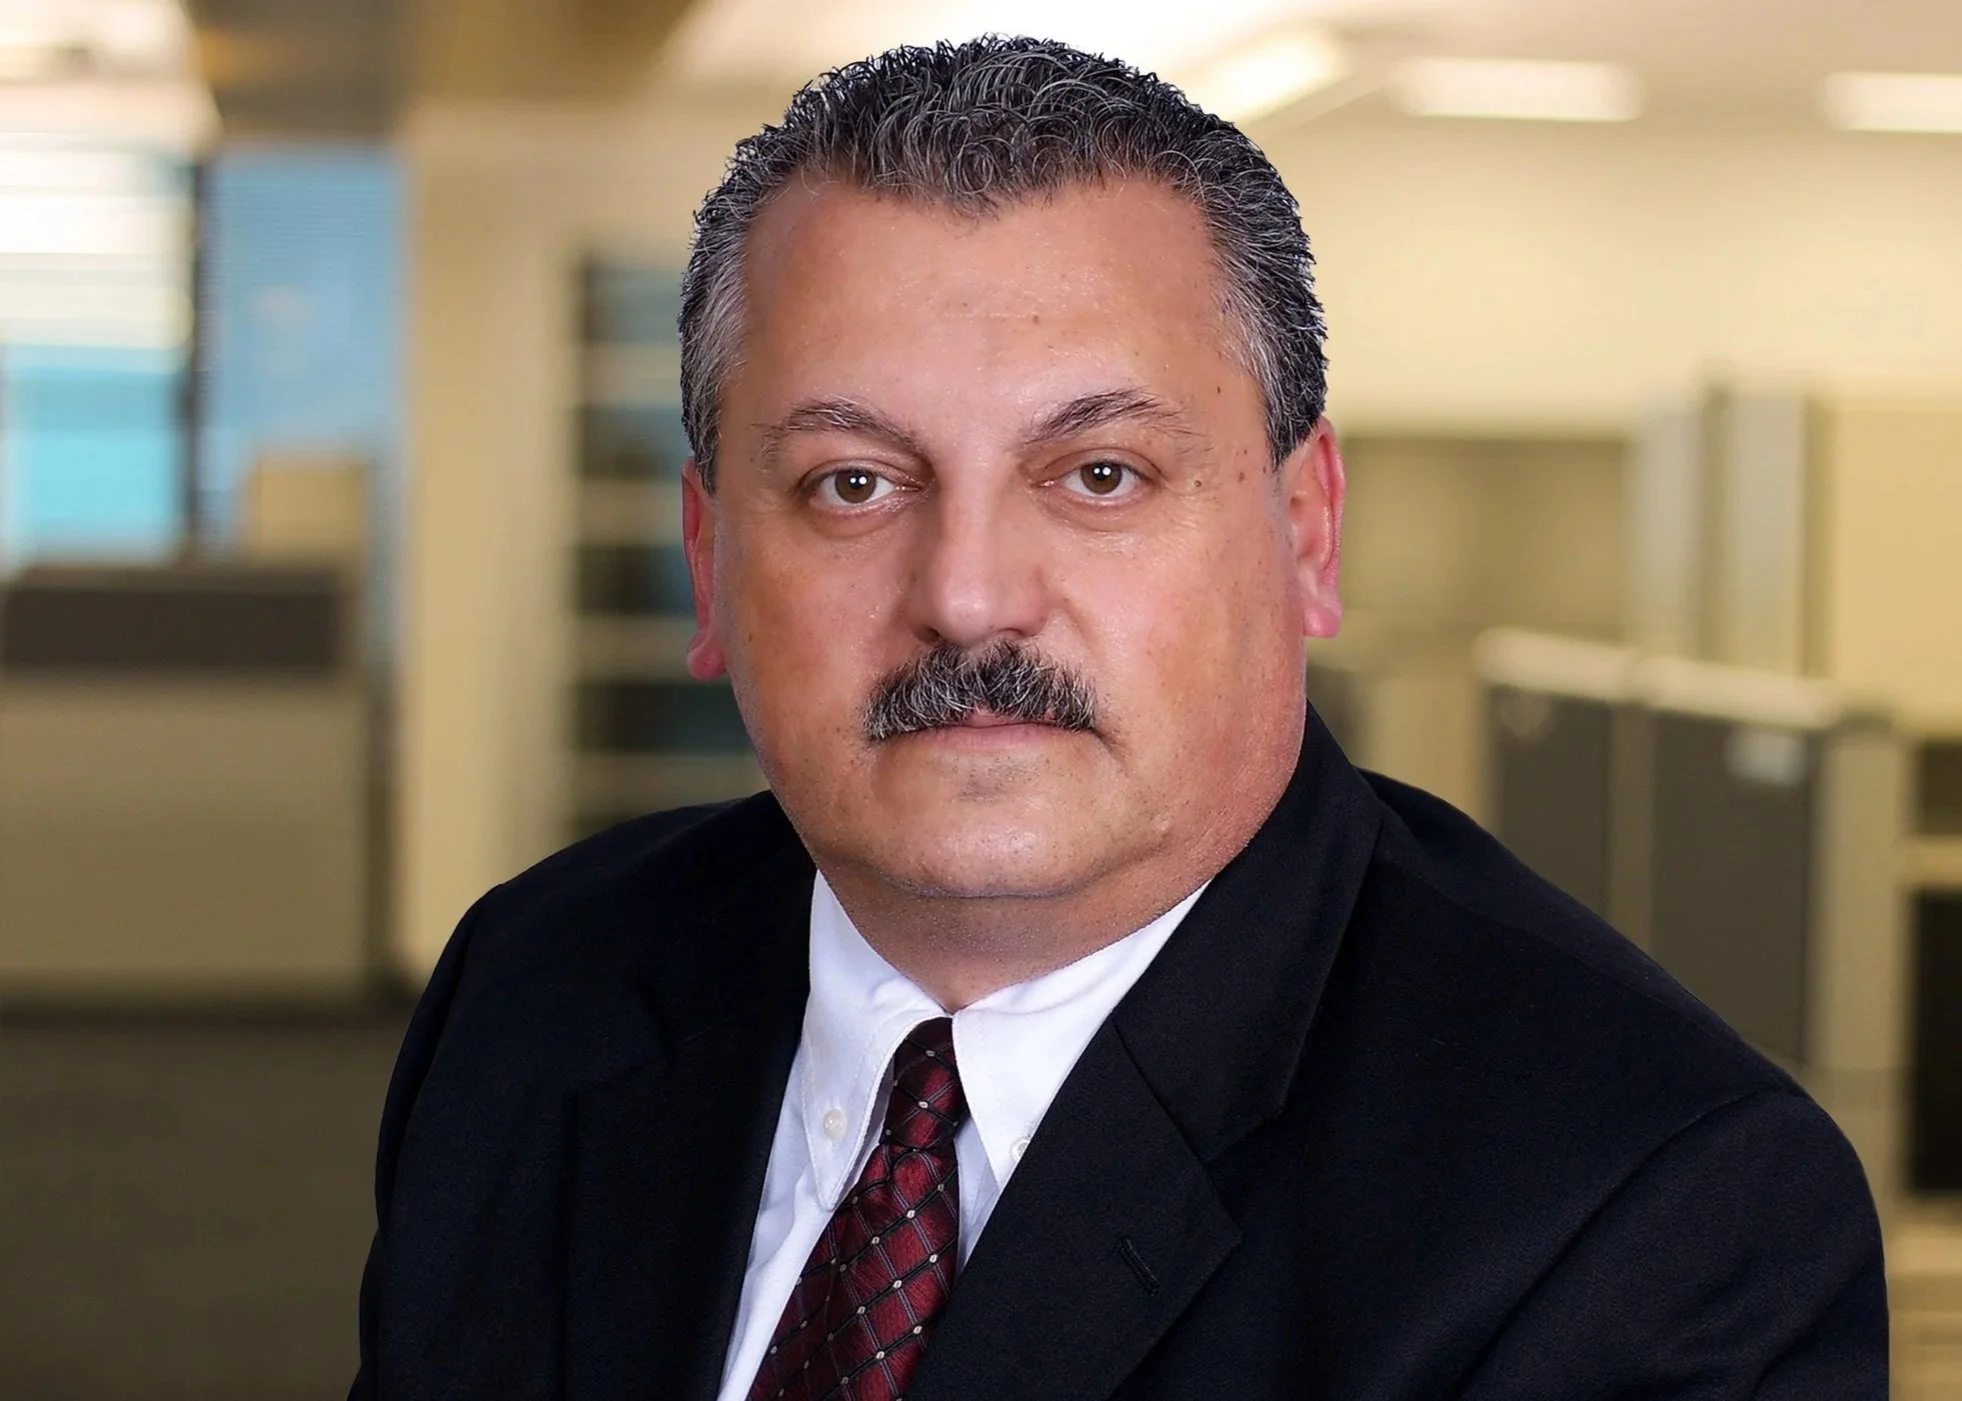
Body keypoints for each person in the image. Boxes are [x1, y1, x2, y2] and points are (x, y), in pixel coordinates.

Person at [351, 36, 1885, 1401]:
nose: (965, 598)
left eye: (1098, 475)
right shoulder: (540, 980)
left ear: (1304, 534)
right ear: (709, 560)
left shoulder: (1645, 1205)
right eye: (851, 483)